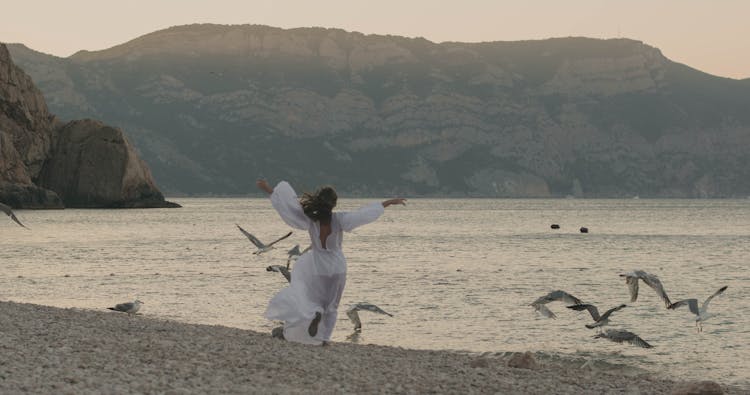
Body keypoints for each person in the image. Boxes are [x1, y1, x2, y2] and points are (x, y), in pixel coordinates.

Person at [256, 178, 406, 345]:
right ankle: (324, 339)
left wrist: (268, 189)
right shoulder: (340, 219)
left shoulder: (310, 219)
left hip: (319, 267)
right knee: (332, 306)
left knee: (311, 299)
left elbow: (289, 207)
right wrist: (388, 202)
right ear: (334, 204)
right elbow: (364, 214)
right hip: (338, 268)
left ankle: (316, 312)